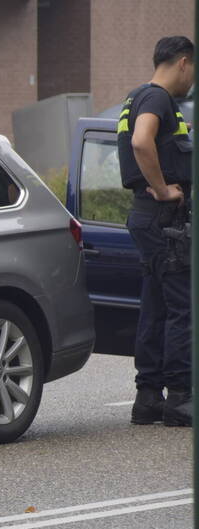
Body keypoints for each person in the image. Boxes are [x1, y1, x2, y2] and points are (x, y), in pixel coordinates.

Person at [117, 36, 194, 428]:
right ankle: (180, 398)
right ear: (183, 62)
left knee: (157, 306)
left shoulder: (136, 97)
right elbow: (141, 141)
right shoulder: (158, 98)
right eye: (193, 70)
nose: (192, 80)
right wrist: (164, 189)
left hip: (147, 218)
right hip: (164, 220)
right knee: (183, 307)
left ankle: (148, 398)